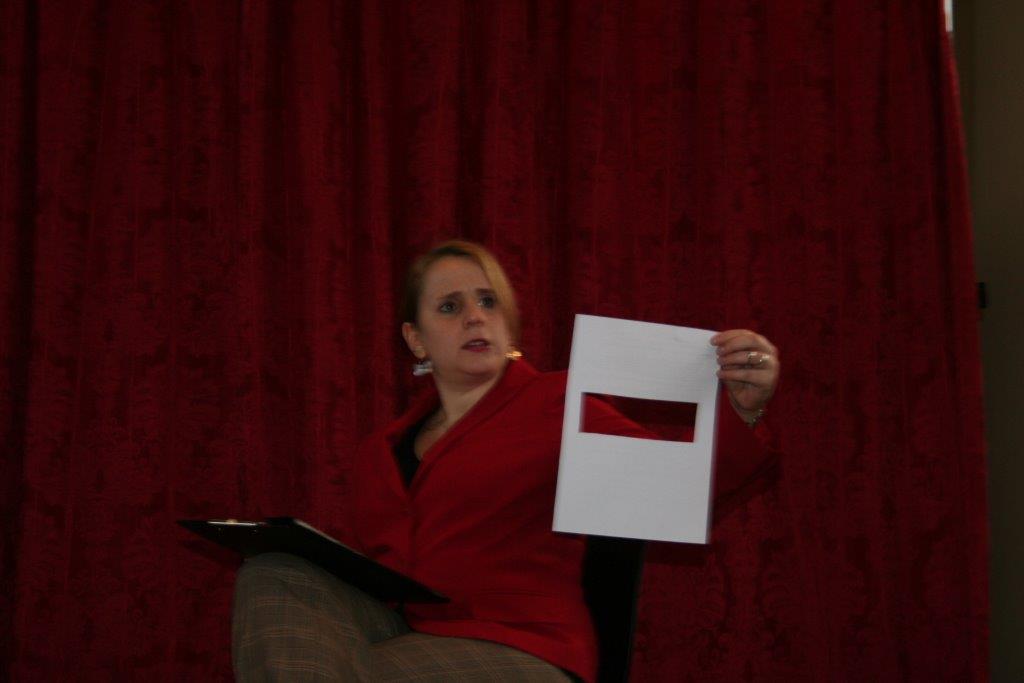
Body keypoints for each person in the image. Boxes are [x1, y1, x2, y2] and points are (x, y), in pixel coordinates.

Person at [232, 240, 780, 682]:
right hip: (408, 630)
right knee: (273, 571)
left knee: (365, 673)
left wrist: (743, 409)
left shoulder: (556, 403)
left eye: (488, 302)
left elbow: (675, 491)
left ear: (508, 323)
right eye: (451, 307)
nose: (475, 317)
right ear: (416, 340)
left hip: (523, 647)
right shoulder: (382, 449)